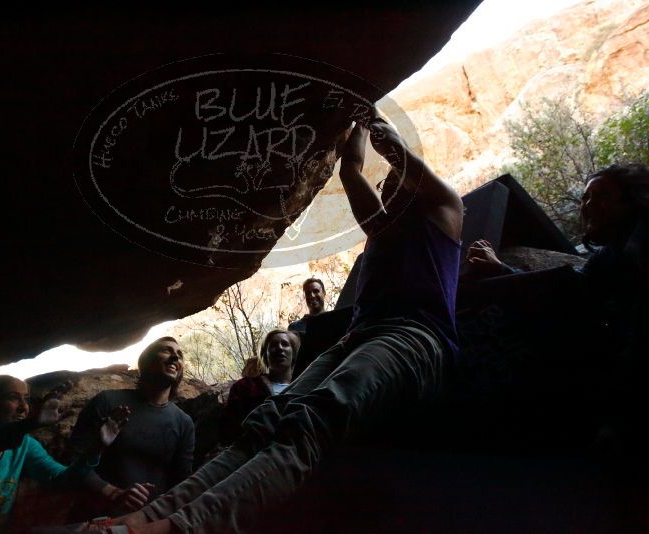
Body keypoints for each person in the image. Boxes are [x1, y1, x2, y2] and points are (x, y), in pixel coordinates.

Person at [112, 106, 463, 534]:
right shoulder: (380, 231)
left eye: (397, 184)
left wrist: (374, 118)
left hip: (414, 338)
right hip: (358, 338)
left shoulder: (445, 211)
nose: (388, 189)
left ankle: (182, 528)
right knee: (267, 419)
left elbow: (402, 158)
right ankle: (147, 516)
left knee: (315, 416)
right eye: (386, 185)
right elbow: (351, 170)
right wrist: (356, 120)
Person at [467, 162, 649, 452]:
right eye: (585, 198)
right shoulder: (610, 256)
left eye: (602, 196)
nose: (588, 206)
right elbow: (570, 290)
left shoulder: (640, 249)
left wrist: (618, 417)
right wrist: (499, 268)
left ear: (632, 202)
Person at [0, 375, 132, 534]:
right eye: (13, 398)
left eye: (27, 399)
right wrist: (29, 423)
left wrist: (96, 448)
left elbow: (63, 480)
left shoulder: (24, 445)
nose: (24, 407)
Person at [67, 337, 195, 520]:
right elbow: (72, 458)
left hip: (147, 523)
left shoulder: (184, 423)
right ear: (146, 361)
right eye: (166, 350)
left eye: (179, 354)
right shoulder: (107, 401)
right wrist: (112, 493)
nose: (175, 357)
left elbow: (181, 484)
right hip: (93, 518)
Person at [218, 329, 301, 445]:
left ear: (294, 353)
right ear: (265, 355)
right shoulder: (245, 387)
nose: (280, 348)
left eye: (285, 344)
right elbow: (229, 426)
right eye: (273, 345)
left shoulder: (304, 388)